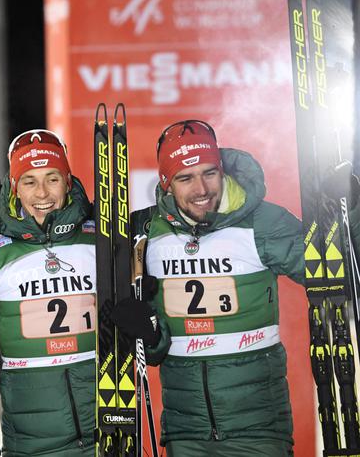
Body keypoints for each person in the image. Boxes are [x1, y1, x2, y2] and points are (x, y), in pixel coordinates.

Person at [113, 119, 308, 456]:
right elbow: (155, 351)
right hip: (185, 432)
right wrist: (147, 332)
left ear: (222, 171)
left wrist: (350, 204)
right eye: (185, 178)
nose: (201, 189)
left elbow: (334, 269)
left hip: (259, 430)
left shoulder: (262, 222)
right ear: (166, 183)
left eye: (209, 173)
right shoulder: (145, 232)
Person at [0, 129, 98, 456]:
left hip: (104, 433)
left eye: (52, 178)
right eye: (29, 181)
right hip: (30, 444)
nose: (42, 193)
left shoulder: (101, 239)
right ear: (14, 188)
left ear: (68, 181)